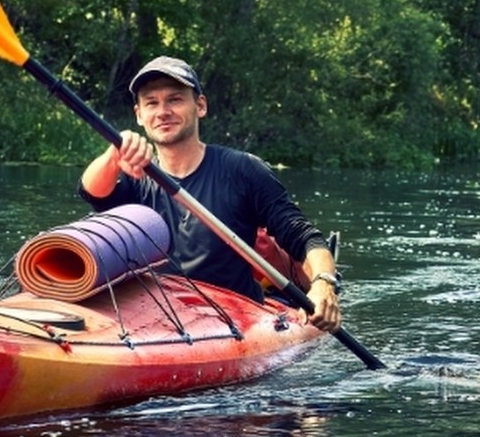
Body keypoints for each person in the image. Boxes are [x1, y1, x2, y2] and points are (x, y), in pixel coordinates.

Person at [78, 55, 341, 332]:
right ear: (139, 115)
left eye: (175, 99)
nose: (163, 111)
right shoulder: (136, 175)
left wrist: (324, 283)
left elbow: (303, 236)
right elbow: (92, 193)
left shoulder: (243, 169)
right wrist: (114, 154)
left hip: (236, 317)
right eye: (151, 103)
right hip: (158, 314)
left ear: (200, 106)